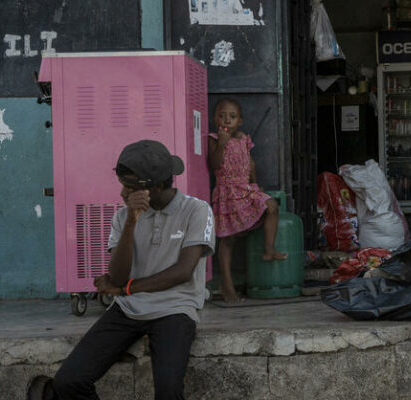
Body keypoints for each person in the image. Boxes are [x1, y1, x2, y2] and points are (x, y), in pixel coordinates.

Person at [53, 140, 215, 399]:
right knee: (67, 382)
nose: (122, 194)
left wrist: (126, 288)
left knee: (169, 392)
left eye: (129, 188)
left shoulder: (196, 210)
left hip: (175, 309)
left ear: (156, 186)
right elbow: (116, 275)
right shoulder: (122, 217)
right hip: (127, 309)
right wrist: (131, 221)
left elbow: (183, 272)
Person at [208, 98, 287, 303]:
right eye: (222, 115)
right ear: (214, 118)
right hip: (227, 192)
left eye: (232, 117)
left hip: (245, 188)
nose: (227, 120)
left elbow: (250, 163)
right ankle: (227, 285)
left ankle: (269, 249)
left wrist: (255, 184)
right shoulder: (214, 138)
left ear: (240, 121)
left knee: (271, 206)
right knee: (228, 239)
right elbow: (213, 164)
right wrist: (222, 144)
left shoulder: (244, 138)